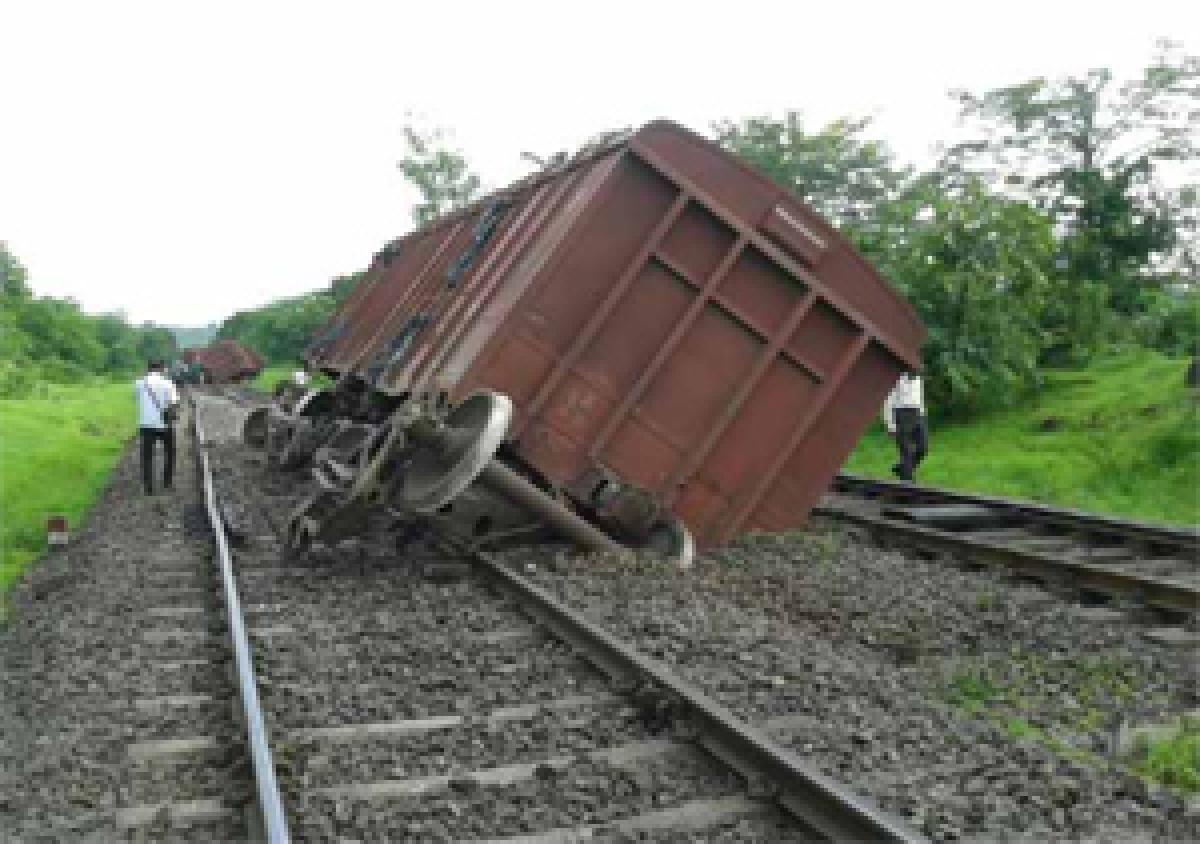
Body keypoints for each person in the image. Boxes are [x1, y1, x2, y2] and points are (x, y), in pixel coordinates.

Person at [135, 360, 181, 495]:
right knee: (170, 453)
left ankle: (149, 488)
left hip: (146, 424)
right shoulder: (168, 383)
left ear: (147, 368)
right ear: (161, 369)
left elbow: (137, 398)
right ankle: (167, 482)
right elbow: (174, 403)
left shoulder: (139, 383)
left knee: (147, 456)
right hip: (164, 423)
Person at [882, 371, 928, 482]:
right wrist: (890, 424)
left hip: (917, 414)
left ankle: (902, 468)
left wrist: (921, 414)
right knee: (905, 451)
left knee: (923, 447)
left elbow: (919, 397)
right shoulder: (897, 377)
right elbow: (888, 401)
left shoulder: (918, 378)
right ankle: (907, 485)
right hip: (901, 415)